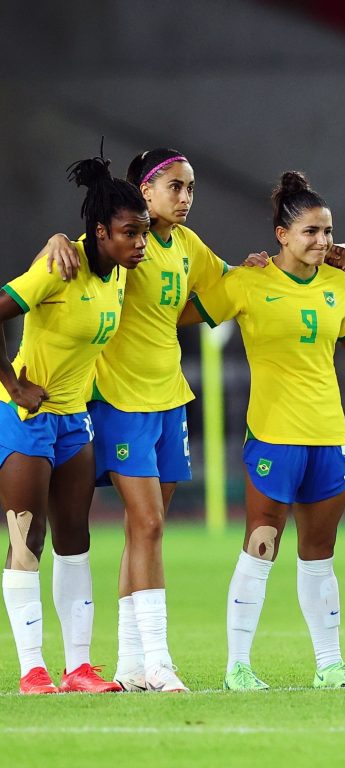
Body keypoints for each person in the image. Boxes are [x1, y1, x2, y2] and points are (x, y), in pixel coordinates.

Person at [41, 148, 234, 692]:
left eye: (191, 187)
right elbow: (73, 255)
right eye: (175, 186)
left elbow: (220, 292)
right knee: (147, 524)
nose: (186, 197)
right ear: (144, 192)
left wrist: (264, 269)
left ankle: (129, 664)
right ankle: (159, 660)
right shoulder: (120, 244)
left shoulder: (186, 245)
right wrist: (56, 240)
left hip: (170, 399)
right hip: (119, 401)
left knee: (145, 530)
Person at [180, 171, 345, 690]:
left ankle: (330, 665)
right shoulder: (246, 282)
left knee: (320, 555)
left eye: (327, 231)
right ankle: (237, 665)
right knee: (261, 547)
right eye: (310, 231)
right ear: (281, 235)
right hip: (273, 436)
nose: (322, 242)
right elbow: (173, 316)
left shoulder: (339, 284)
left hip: (330, 436)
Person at [1, 151, 147, 694]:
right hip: (24, 419)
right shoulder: (57, 267)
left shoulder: (120, 275)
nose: (140, 244)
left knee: (75, 540)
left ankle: (79, 667)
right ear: (100, 231)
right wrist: (15, 385)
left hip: (73, 421)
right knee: (25, 541)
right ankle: (32, 669)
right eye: (130, 233)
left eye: (144, 233)